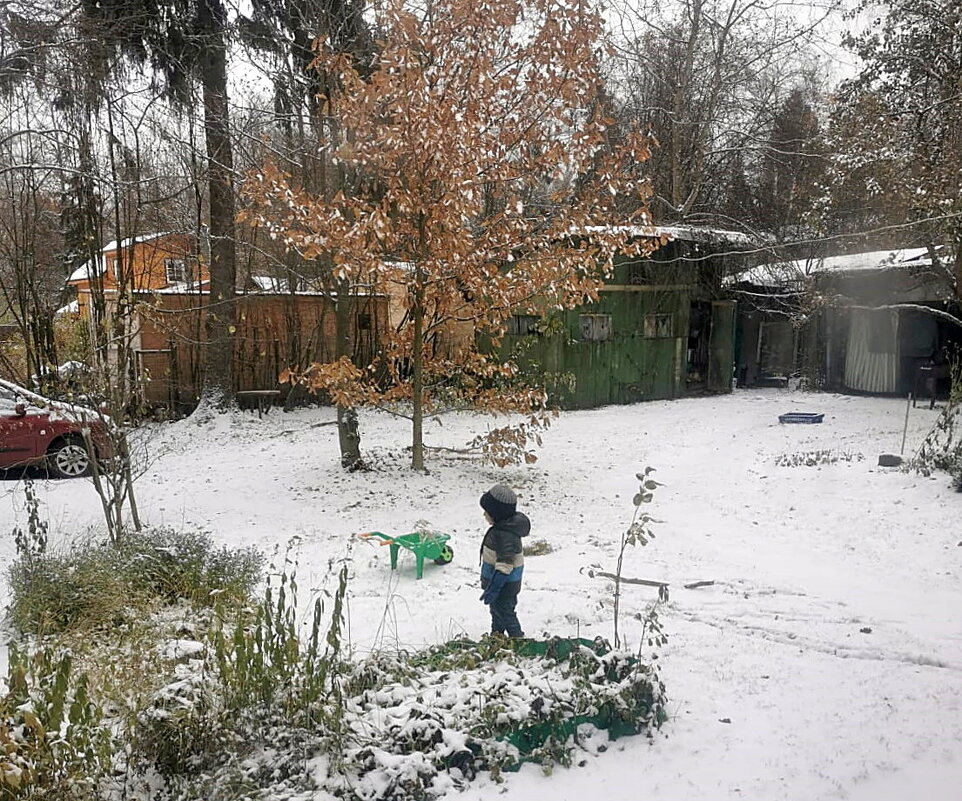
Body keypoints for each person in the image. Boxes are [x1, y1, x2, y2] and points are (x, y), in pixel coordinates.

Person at [478, 483, 529, 637]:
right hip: (498, 582)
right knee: (496, 610)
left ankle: (517, 639)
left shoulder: (505, 535)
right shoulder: (501, 529)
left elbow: (505, 565)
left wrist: (494, 588)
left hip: (504, 585)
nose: (484, 515)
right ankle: (497, 634)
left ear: (497, 514)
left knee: (506, 612)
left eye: (486, 512)